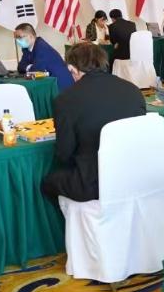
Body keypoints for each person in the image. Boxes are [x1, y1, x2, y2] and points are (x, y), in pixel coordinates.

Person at [41, 43, 146, 202]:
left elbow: (64, 154)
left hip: (92, 184)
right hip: (134, 176)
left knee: (47, 183)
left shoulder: (65, 100)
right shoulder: (133, 91)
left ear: (72, 69)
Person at [14, 23, 73, 90]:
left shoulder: (42, 47)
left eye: (19, 37)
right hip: (48, 83)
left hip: (60, 84)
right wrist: (30, 67)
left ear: (30, 36)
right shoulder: (25, 49)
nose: (17, 40)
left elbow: (36, 71)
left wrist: (28, 67)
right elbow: (20, 67)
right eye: (16, 37)